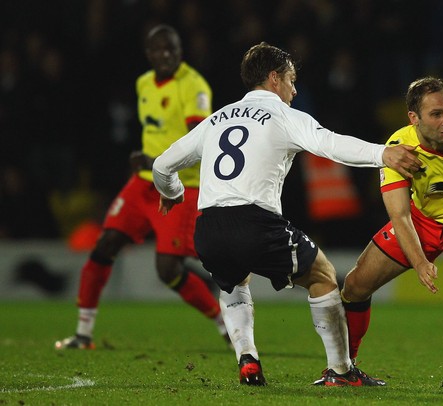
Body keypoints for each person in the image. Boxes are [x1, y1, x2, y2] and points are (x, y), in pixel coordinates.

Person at [152, 42, 421, 386]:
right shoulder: (283, 116)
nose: (294, 90)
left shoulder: (216, 119)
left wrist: (172, 193)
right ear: (274, 78)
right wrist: (383, 153)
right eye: (292, 81)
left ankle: (247, 359)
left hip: (208, 228)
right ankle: (341, 371)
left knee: (233, 283)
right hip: (254, 223)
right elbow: (331, 144)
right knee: (323, 274)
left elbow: (162, 165)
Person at [55, 25, 230, 350]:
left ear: (180, 51)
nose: (165, 55)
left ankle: (222, 321)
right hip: (142, 185)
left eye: (171, 49)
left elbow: (201, 145)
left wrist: (154, 161)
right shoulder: (144, 83)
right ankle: (82, 334)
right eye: (158, 50)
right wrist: (147, 164)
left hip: (179, 187)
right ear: (148, 54)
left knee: (167, 270)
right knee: (104, 245)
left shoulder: (194, 86)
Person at [340, 77, 443, 387]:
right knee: (355, 285)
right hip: (421, 221)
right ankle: (344, 366)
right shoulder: (399, 150)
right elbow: (399, 215)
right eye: (437, 114)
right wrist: (419, 262)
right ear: (413, 119)